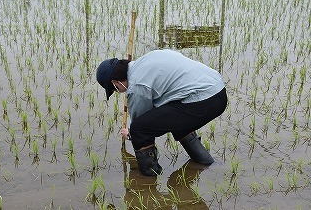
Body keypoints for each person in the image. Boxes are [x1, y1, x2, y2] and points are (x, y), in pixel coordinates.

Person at [96, 49, 227, 176]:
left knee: (139, 130)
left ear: (115, 82)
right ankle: (205, 162)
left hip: (205, 100)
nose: (120, 91)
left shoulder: (137, 86)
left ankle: (148, 178)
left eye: (116, 89)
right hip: (217, 89)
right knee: (175, 119)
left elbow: (139, 122)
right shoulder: (146, 60)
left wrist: (130, 133)